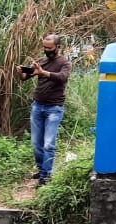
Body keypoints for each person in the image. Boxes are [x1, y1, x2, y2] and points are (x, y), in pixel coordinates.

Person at [16, 34, 72, 186]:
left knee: (49, 144)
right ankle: (42, 170)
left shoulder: (64, 63)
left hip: (54, 108)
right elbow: (25, 77)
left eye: (50, 48)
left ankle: (46, 176)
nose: (47, 51)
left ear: (58, 47)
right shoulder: (41, 62)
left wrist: (44, 73)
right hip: (37, 106)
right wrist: (21, 72)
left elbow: (62, 77)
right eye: (45, 48)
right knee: (36, 143)